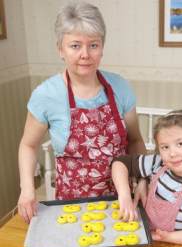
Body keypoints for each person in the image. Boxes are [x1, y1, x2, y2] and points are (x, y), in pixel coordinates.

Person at [17, 1, 146, 223]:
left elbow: (135, 140)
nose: (85, 54)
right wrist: (27, 188)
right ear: (60, 49)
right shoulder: (46, 95)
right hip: (72, 208)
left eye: (93, 45)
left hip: (122, 206)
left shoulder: (120, 87)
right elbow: (28, 145)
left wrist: (144, 179)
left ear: (102, 47)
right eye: (75, 45)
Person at [111, 109, 182, 246]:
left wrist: (167, 237)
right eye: (165, 147)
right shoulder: (157, 163)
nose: (172, 153)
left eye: (180, 144)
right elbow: (120, 163)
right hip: (145, 241)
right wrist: (124, 196)